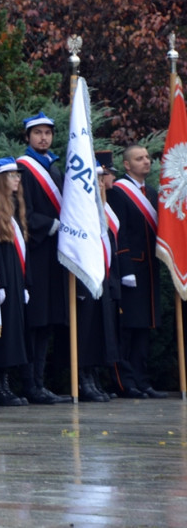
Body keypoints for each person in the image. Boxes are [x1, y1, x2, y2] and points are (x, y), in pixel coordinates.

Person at [16, 113, 70, 404]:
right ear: (27, 137)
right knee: (34, 321)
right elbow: (21, 211)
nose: (44, 138)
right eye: (37, 133)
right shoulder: (23, 168)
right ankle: (29, 383)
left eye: (48, 133)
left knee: (47, 322)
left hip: (54, 255)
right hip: (35, 251)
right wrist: (49, 225)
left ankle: (40, 381)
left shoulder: (56, 169)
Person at [109, 144, 165, 399]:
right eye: (139, 158)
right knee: (128, 327)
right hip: (130, 269)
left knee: (145, 326)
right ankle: (125, 382)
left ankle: (142, 380)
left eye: (147, 157)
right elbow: (117, 231)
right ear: (127, 165)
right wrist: (125, 268)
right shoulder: (119, 192)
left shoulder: (152, 193)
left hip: (149, 269)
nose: (146, 162)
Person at [0, 158, 29, 407]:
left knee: (14, 333)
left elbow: (24, 249)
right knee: (1, 334)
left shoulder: (12, 209)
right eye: (12, 175)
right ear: (1, 179)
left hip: (16, 278)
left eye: (18, 175)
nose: (17, 179)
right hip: (2, 280)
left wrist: (26, 283)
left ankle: (6, 381)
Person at [74, 151, 120, 402]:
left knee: (101, 331)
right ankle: (83, 379)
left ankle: (94, 376)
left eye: (103, 178)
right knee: (86, 331)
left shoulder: (105, 209)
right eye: (97, 177)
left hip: (103, 277)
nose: (102, 182)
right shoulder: (82, 210)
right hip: (86, 277)